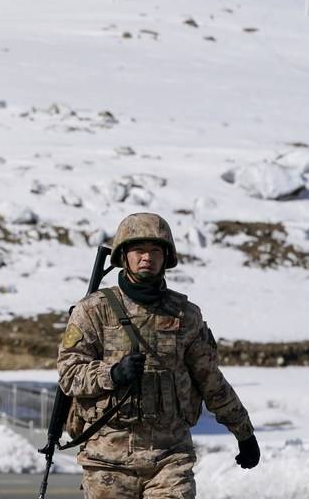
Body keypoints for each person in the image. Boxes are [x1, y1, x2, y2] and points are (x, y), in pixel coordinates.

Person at [57, 212, 260, 499]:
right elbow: (69, 373)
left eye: (155, 251)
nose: (146, 258)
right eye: (138, 250)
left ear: (166, 258)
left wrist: (244, 432)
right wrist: (112, 374)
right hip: (107, 461)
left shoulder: (186, 315)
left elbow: (211, 380)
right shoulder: (92, 311)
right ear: (124, 256)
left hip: (170, 458)